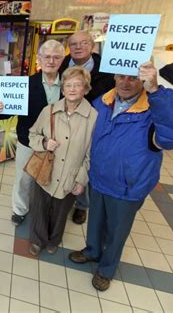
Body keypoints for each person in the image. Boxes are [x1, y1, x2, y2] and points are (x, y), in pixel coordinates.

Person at [69, 62, 173, 291]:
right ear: (114, 77)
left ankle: (106, 270)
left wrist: (156, 90)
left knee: (117, 232)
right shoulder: (102, 102)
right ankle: (92, 251)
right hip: (98, 179)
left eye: (133, 78)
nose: (126, 83)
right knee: (95, 221)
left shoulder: (153, 110)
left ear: (143, 81)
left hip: (128, 185)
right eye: (121, 77)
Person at [27, 66, 97, 255]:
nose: (72, 89)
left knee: (61, 211)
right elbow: (32, 134)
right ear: (62, 88)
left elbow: (93, 154)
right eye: (68, 85)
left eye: (78, 85)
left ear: (86, 88)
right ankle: (37, 239)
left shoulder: (94, 118)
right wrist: (43, 142)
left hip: (71, 175)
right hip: (46, 170)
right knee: (39, 207)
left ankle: (54, 240)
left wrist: (82, 180)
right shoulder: (49, 111)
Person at [0, 39, 65, 226]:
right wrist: (1, 109)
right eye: (47, 57)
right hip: (28, 141)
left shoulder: (70, 85)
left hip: (59, 142)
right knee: (23, 179)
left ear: (62, 60)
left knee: (52, 178)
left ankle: (46, 211)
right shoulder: (24, 84)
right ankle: (19, 209)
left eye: (56, 57)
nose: (51, 61)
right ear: (39, 59)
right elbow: (5, 115)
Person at [58, 30, 115, 224]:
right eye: (74, 44)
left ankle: (82, 205)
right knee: (64, 162)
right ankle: (62, 197)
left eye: (83, 43)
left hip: (93, 125)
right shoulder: (61, 64)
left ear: (92, 45)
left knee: (87, 164)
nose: (78, 47)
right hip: (65, 123)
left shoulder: (107, 69)